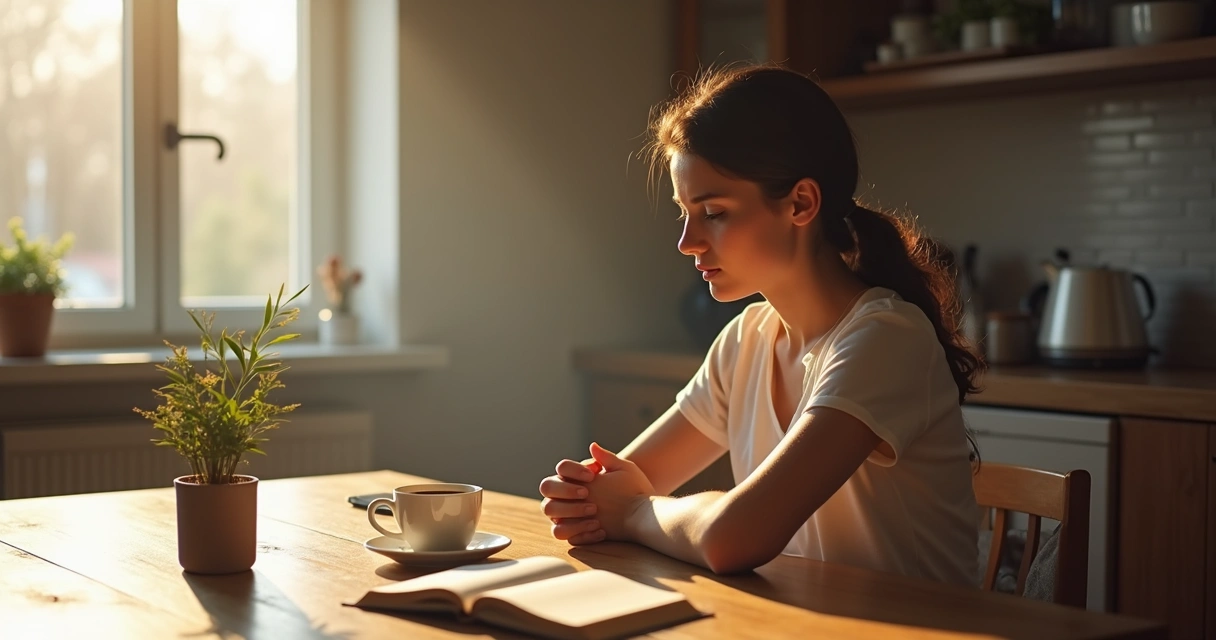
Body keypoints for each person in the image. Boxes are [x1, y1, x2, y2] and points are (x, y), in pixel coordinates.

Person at [538, 63, 985, 585]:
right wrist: (595, 500)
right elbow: (612, 489)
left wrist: (635, 511)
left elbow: (733, 537)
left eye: (714, 213)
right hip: (797, 618)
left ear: (801, 203)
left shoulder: (885, 338)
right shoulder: (748, 338)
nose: (686, 242)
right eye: (684, 213)